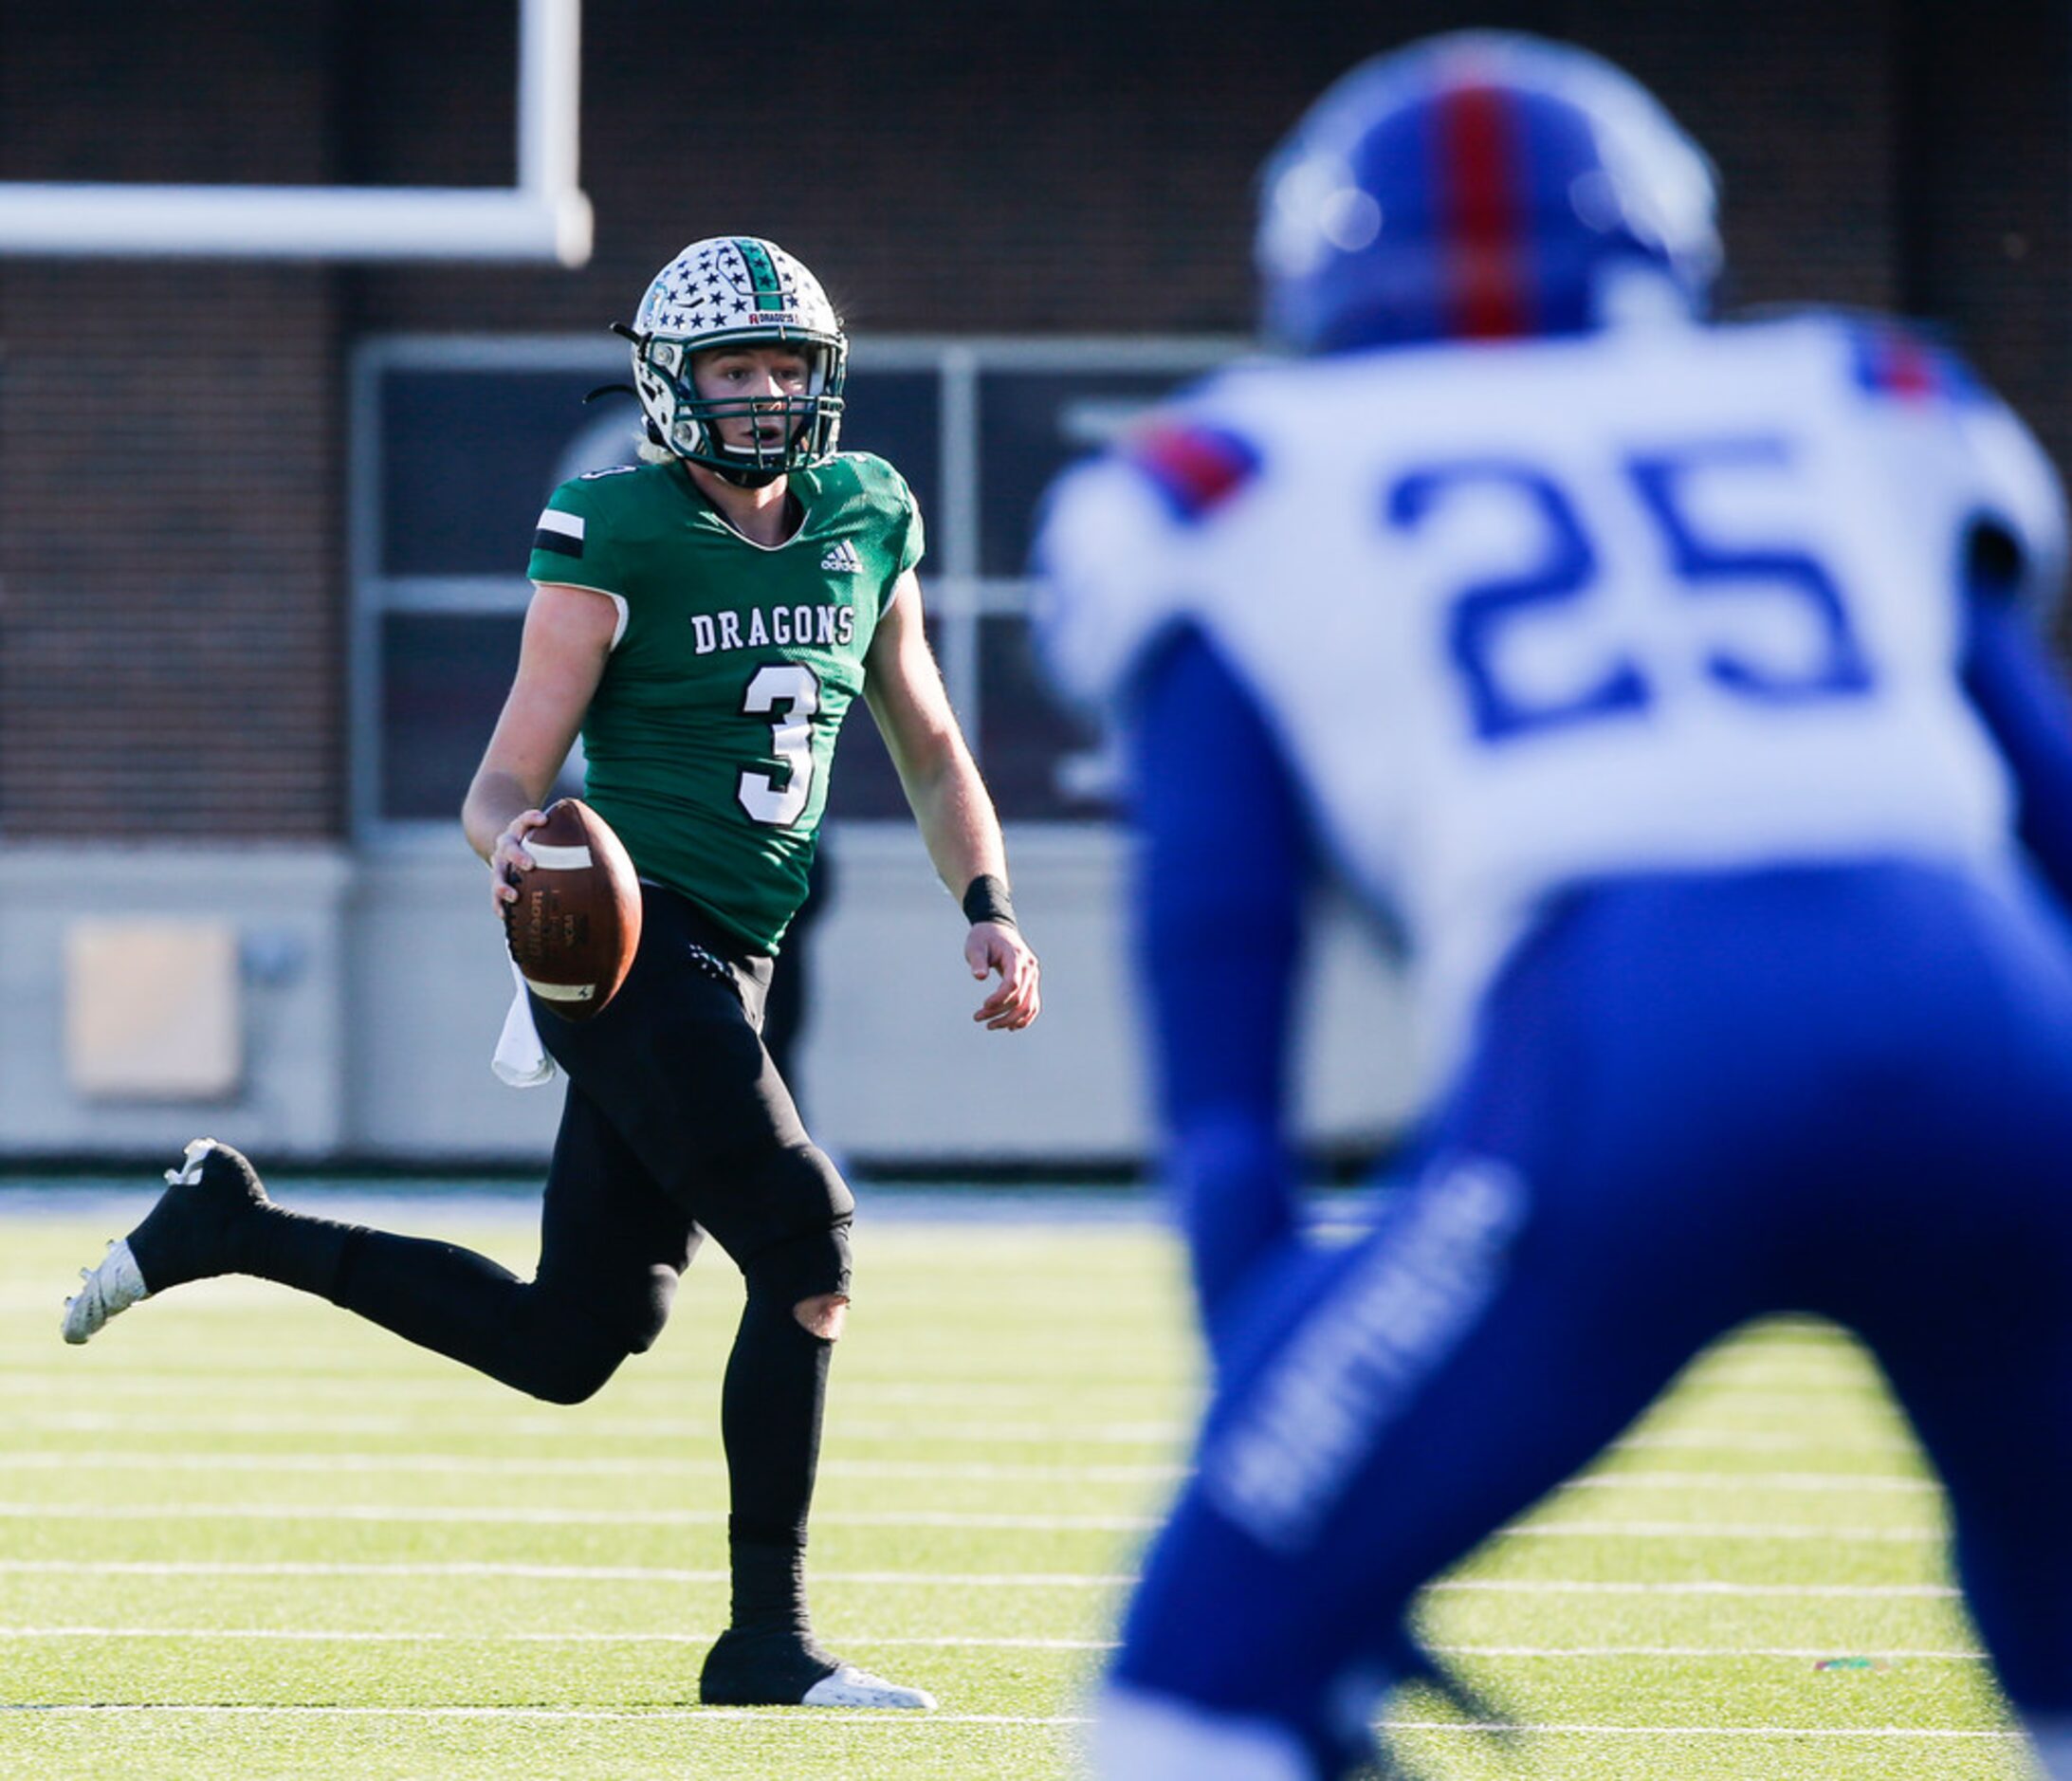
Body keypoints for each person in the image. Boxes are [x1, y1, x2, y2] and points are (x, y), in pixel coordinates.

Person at [1034, 32, 2072, 1779]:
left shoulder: (1229, 476)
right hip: (1992, 1015)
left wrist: (1256, 1350)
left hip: (1639, 1043)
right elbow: (2042, 801)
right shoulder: (1851, 396)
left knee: (1185, 1694)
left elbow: (1224, 953)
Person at [64, 235, 1041, 1712]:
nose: (768, 393)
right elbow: (498, 780)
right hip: (632, 944)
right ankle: (761, 1640)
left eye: (788, 365)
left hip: (744, 953)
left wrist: (986, 900)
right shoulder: (613, 528)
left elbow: (926, 738)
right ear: (671, 384)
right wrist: (517, 854)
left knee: (572, 1339)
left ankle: (228, 1226)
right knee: (806, 1242)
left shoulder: (868, 513)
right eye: (736, 367)